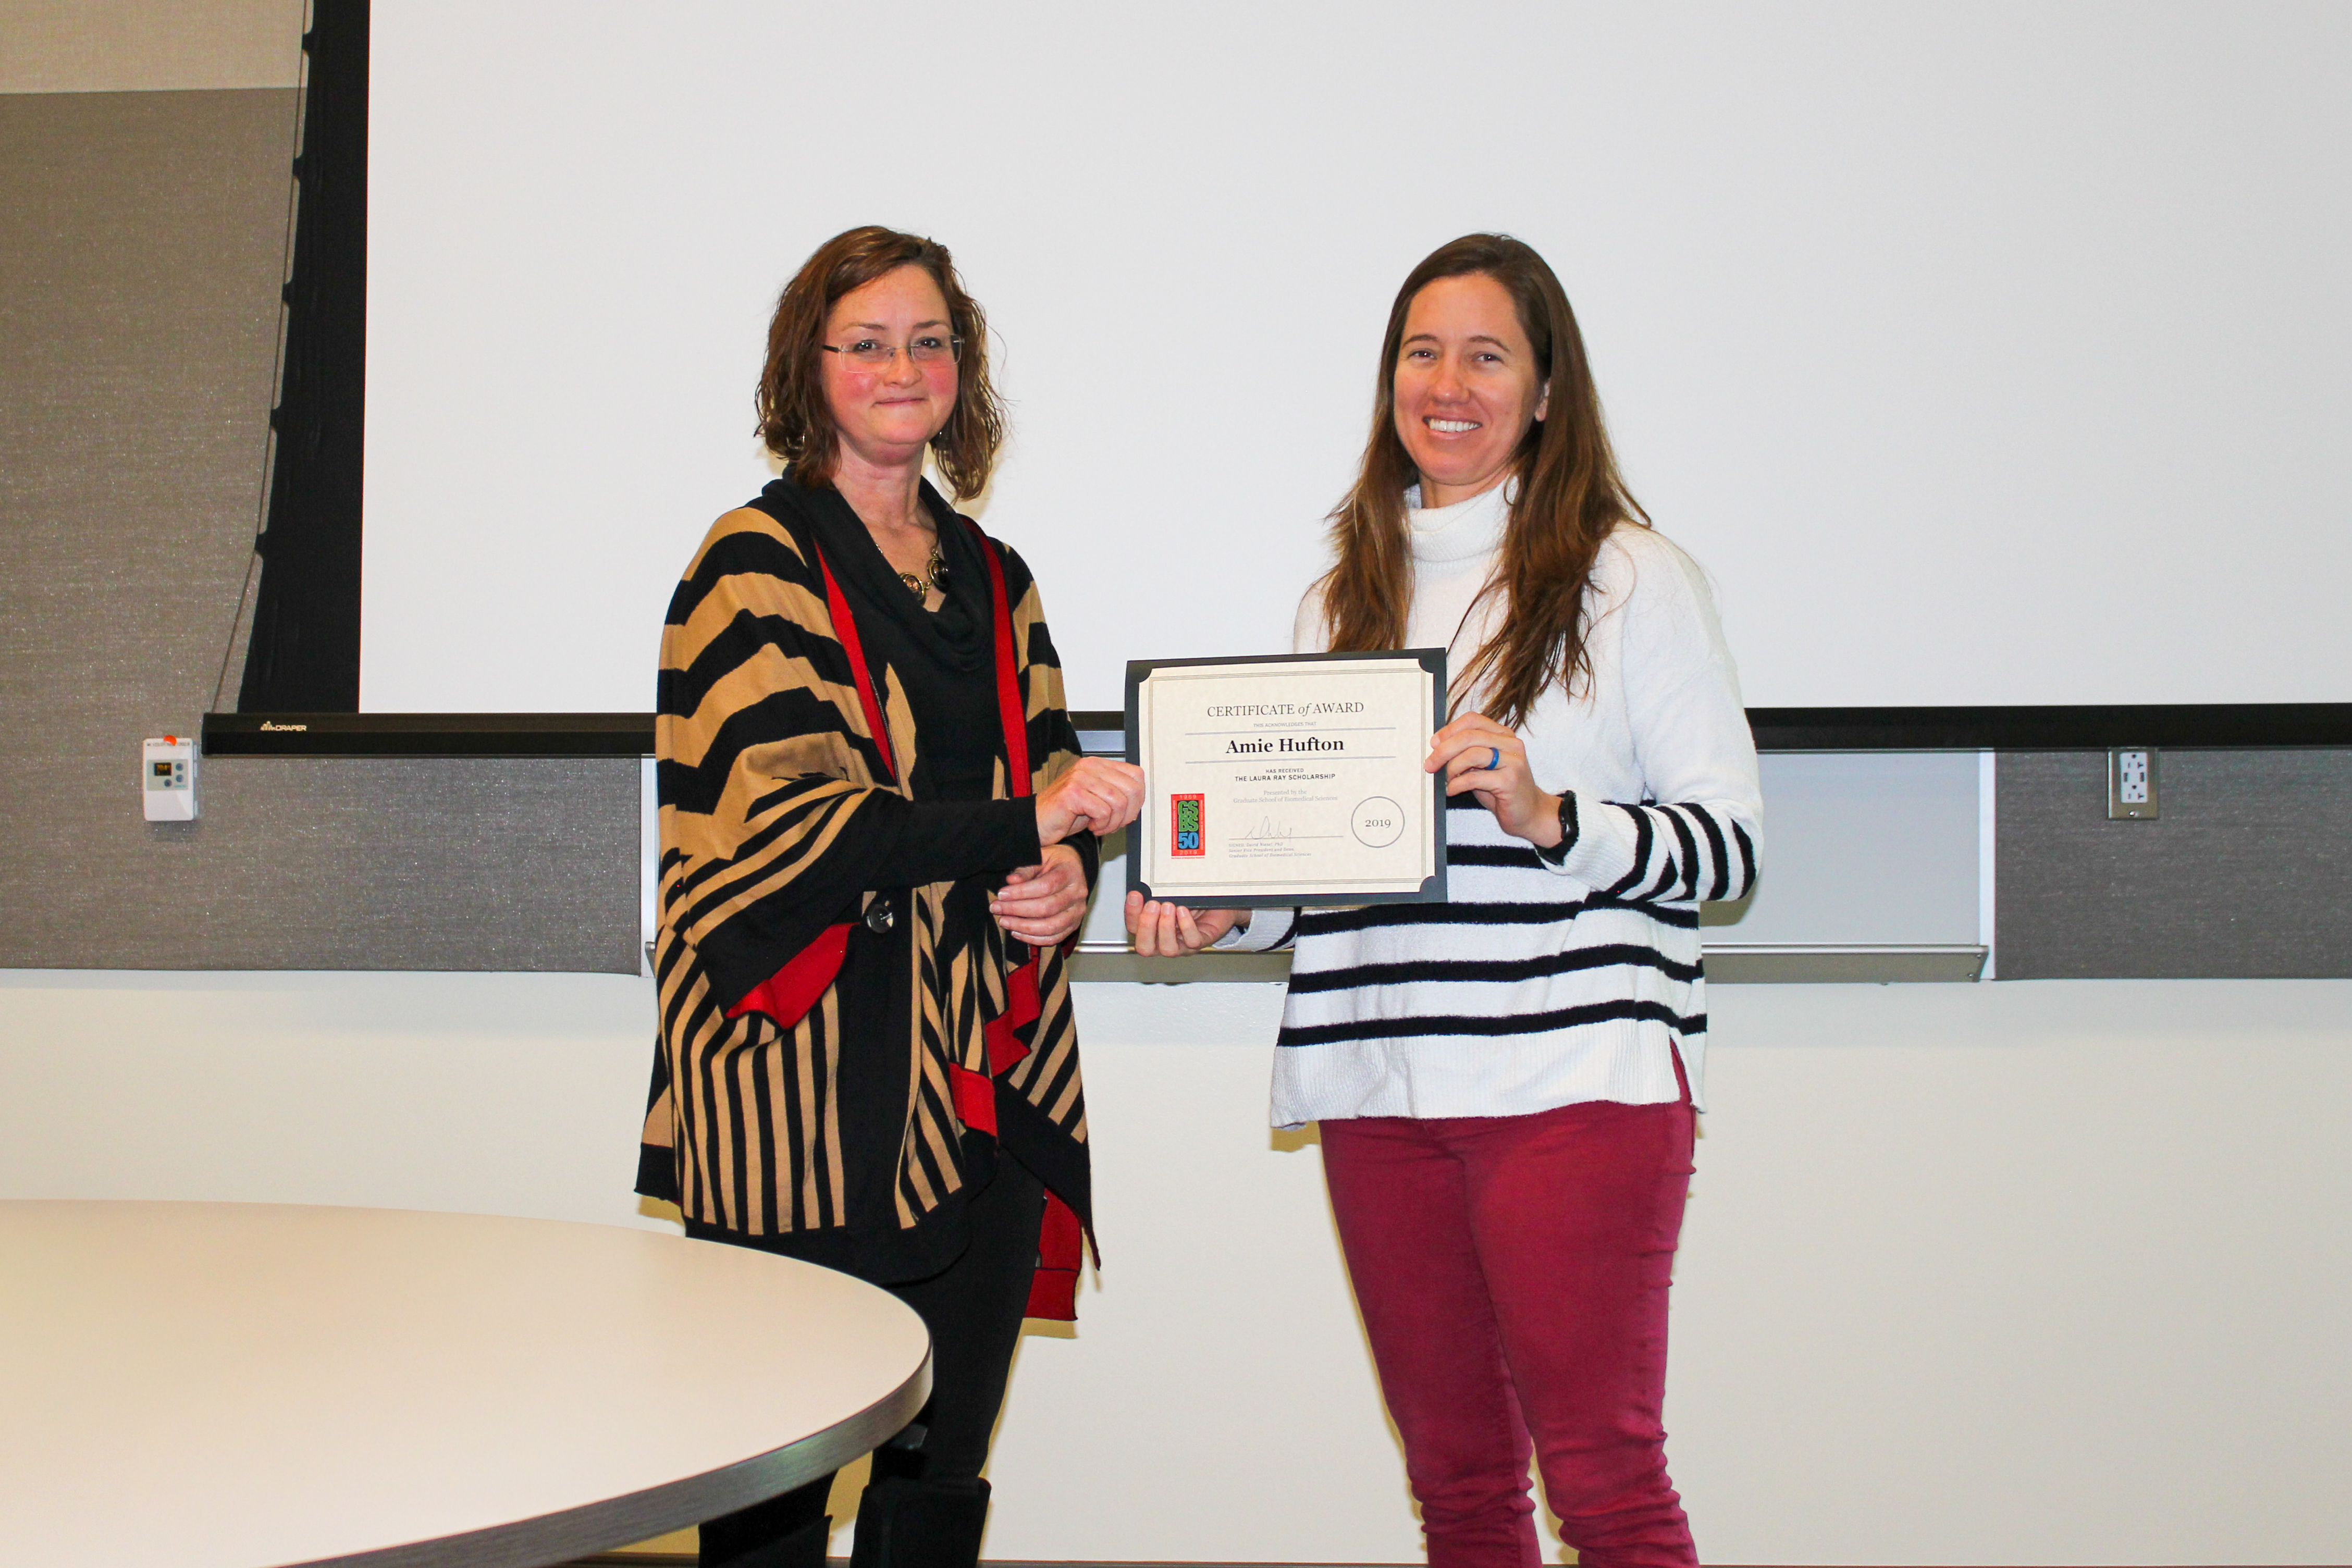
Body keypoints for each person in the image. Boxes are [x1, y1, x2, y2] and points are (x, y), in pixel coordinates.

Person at [1128, 233, 1761, 1568]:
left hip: (1571, 1082)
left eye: (1488, 353)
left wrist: (1549, 817)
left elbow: (1725, 851)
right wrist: (1214, 908)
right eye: (1422, 352)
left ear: (1544, 391)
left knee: (1602, 1484)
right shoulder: (1338, 599)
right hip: (1378, 1089)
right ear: (1389, 382)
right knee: (1461, 1490)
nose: (1449, 381)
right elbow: (1316, 888)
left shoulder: (1630, 576)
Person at [638, 225, 1145, 1568]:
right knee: (771, 1476)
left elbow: (1045, 778)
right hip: (799, 1093)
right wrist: (1033, 820)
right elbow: (806, 829)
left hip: (973, 1070)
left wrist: (1061, 881)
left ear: (961, 373)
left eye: (930, 340)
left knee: (937, 1460)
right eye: (865, 340)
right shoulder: (751, 562)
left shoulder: (996, 576)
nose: (900, 365)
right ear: (809, 370)